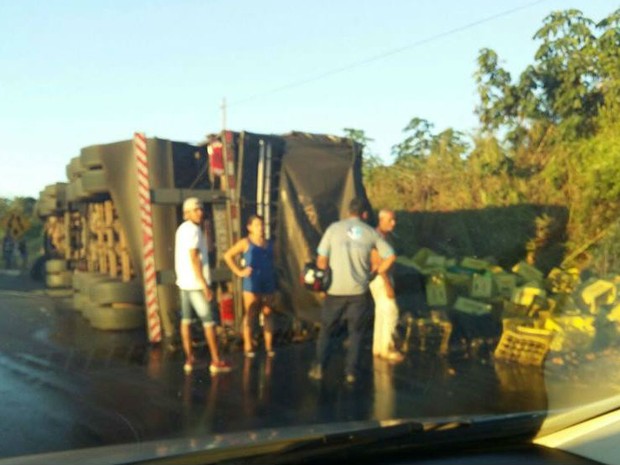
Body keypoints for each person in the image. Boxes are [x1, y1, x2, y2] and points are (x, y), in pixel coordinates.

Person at [308, 198, 396, 384]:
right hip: (358, 292)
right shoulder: (371, 233)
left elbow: (321, 260)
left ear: (349, 211)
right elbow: (390, 256)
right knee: (355, 332)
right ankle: (350, 372)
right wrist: (375, 273)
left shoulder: (333, 229)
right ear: (364, 214)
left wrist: (324, 279)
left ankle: (319, 367)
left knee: (327, 330)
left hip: (335, 292)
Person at [175, 197, 232, 374]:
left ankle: (189, 360)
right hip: (196, 285)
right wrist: (204, 285)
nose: (200, 212)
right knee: (209, 322)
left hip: (183, 283)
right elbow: (194, 258)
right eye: (195, 210)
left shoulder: (181, 229)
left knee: (186, 321)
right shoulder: (193, 230)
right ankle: (216, 361)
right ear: (187, 214)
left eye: (200, 209)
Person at [224, 215, 276, 357]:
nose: (261, 228)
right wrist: (239, 272)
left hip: (268, 280)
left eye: (262, 225)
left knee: (267, 312)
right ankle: (248, 345)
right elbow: (227, 255)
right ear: (250, 227)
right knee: (251, 312)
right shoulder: (245, 242)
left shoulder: (269, 243)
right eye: (257, 225)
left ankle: (269, 347)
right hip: (252, 282)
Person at [370, 209, 405, 363]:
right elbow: (378, 263)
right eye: (390, 220)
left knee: (381, 312)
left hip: (378, 278)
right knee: (391, 311)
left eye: (394, 219)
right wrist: (387, 283)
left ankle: (378, 347)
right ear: (381, 220)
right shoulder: (378, 238)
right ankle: (387, 348)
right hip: (381, 278)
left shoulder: (383, 236)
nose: (394, 223)